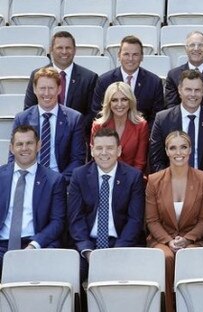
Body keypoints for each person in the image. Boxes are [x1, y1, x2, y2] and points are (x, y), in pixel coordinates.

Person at [145, 130, 203, 312]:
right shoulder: (154, 180)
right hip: (161, 239)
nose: (178, 152)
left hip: (194, 239)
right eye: (173, 148)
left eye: (183, 147)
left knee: (189, 256)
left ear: (190, 150)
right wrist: (168, 241)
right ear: (166, 151)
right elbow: (152, 221)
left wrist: (188, 238)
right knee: (165, 257)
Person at [67, 128, 145, 261]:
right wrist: (87, 250)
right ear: (92, 150)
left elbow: (135, 220)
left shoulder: (133, 177)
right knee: (71, 273)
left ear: (119, 150)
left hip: (121, 244)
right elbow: (75, 218)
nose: (104, 153)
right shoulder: (79, 176)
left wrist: (118, 250)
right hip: (87, 245)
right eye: (99, 148)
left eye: (110, 148)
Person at [0, 125, 66, 267]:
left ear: (38, 145)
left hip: (36, 244)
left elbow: (57, 222)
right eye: (19, 144)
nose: (24, 148)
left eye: (29, 143)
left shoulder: (54, 180)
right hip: (2, 245)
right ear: (12, 148)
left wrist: (34, 245)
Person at [12, 67, 85, 180]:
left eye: (51, 88)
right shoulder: (22, 119)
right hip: (29, 180)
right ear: (35, 89)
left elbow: (77, 160)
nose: (46, 93)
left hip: (62, 181)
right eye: (42, 88)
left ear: (59, 89)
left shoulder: (74, 119)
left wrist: (57, 182)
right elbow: (14, 156)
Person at [150, 70, 203, 173]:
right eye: (188, 90)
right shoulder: (162, 119)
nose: (193, 94)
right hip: (170, 184)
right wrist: (170, 182)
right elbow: (156, 160)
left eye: (197, 90)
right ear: (179, 90)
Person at [24, 31, 98, 135]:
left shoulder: (89, 78)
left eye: (68, 48)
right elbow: (29, 109)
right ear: (51, 50)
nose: (64, 52)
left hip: (76, 138)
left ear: (74, 50)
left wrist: (72, 130)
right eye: (59, 48)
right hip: (44, 137)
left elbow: (92, 114)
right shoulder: (37, 75)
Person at [92, 35, 164, 125]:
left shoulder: (154, 82)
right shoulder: (104, 81)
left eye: (135, 55)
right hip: (111, 135)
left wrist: (143, 135)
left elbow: (156, 117)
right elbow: (98, 113)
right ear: (119, 56)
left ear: (142, 57)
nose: (130, 59)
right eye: (126, 54)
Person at [91, 82, 148, 172]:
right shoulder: (98, 126)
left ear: (130, 101)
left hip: (132, 178)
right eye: (114, 100)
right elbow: (96, 158)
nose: (119, 104)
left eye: (124, 99)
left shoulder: (141, 125)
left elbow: (140, 162)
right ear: (109, 103)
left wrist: (130, 180)